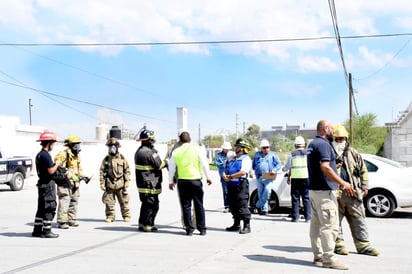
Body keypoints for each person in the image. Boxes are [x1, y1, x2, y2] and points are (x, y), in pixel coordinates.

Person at [307, 120, 354, 270]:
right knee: (330, 226)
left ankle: (318, 256)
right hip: (324, 193)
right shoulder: (324, 144)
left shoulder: (313, 144)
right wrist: (343, 183)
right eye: (332, 129)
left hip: (314, 192)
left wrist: (335, 166)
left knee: (316, 225)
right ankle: (329, 258)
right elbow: (325, 167)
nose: (334, 132)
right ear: (326, 129)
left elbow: (324, 166)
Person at [332, 124, 379, 256]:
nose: (339, 141)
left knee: (359, 219)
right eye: (337, 139)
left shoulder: (353, 153)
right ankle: (338, 245)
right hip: (336, 194)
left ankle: (363, 245)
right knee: (335, 220)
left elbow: (363, 170)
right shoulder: (329, 153)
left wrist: (365, 186)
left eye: (342, 139)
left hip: (353, 193)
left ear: (346, 139)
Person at [168, 130, 212, 236]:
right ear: (190, 139)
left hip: (183, 182)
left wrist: (170, 181)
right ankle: (202, 229)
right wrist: (208, 177)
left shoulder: (175, 152)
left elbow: (171, 168)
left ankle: (189, 229)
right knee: (199, 205)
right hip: (196, 181)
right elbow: (204, 164)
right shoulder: (197, 149)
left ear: (180, 140)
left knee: (186, 206)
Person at [135, 128, 169, 232]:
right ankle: (148, 225)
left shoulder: (138, 152)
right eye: (152, 140)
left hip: (142, 184)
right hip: (151, 184)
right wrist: (167, 161)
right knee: (153, 205)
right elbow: (159, 165)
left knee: (145, 204)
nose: (153, 142)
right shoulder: (151, 153)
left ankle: (141, 224)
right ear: (147, 140)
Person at [54, 135, 88, 229]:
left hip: (75, 183)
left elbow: (79, 169)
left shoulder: (76, 156)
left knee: (74, 201)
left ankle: (72, 219)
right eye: (76, 145)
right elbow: (59, 168)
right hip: (65, 183)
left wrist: (83, 176)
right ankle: (62, 221)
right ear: (70, 145)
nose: (78, 147)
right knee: (64, 201)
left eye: (78, 145)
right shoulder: (63, 154)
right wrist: (71, 175)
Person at [32, 131, 60, 238]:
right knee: (49, 206)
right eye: (53, 143)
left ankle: (37, 230)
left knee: (41, 208)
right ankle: (47, 231)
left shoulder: (39, 155)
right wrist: (57, 164)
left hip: (41, 184)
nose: (53, 145)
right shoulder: (46, 155)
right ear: (49, 143)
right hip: (48, 185)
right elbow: (51, 171)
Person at [223, 138, 253, 234]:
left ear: (243, 148)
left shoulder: (246, 159)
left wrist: (231, 176)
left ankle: (247, 226)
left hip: (241, 185)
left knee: (242, 205)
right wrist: (224, 175)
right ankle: (236, 224)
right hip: (231, 185)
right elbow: (225, 168)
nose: (235, 148)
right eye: (236, 146)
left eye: (237, 146)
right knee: (233, 205)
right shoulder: (232, 158)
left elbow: (243, 172)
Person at [99, 137, 131, 223]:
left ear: (117, 147)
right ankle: (110, 216)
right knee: (109, 202)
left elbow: (127, 170)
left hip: (121, 184)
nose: (111, 149)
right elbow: (101, 171)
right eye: (110, 147)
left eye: (113, 147)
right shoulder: (106, 160)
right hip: (110, 183)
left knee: (124, 201)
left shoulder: (123, 158)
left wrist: (127, 180)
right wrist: (102, 183)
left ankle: (126, 215)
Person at [282, 136, 311, 222]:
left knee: (295, 198)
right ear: (304, 145)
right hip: (306, 178)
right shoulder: (308, 154)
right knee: (306, 198)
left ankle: (295, 218)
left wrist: (284, 169)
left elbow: (288, 166)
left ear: (295, 145)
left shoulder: (292, 154)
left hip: (296, 179)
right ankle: (308, 218)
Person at [251, 139, 281, 215]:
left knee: (267, 191)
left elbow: (278, 164)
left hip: (269, 176)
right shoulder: (257, 154)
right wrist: (251, 171)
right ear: (261, 148)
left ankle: (258, 205)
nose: (266, 149)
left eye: (267, 147)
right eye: (264, 148)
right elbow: (253, 165)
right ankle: (264, 210)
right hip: (259, 176)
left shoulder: (273, 154)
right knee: (260, 193)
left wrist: (275, 170)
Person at [215, 141, 234, 213]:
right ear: (223, 148)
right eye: (226, 149)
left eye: (228, 149)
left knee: (232, 191)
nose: (227, 150)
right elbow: (218, 164)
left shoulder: (232, 154)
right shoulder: (219, 155)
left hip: (232, 175)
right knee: (225, 191)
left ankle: (232, 206)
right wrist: (227, 162)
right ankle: (227, 206)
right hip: (223, 175)